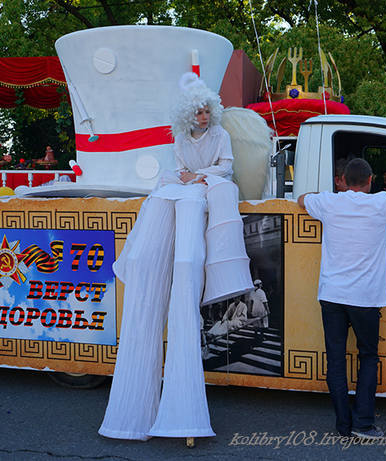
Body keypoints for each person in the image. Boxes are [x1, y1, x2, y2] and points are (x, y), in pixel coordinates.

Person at [99, 72, 252, 441]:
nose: (203, 116)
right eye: (197, 111)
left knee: (208, 197)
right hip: (187, 186)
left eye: (206, 110)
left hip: (208, 186)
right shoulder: (182, 139)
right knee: (166, 194)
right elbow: (180, 168)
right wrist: (188, 178)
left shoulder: (221, 135)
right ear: (188, 114)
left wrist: (198, 177)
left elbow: (226, 166)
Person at [297, 158, 386, 439]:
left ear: (344, 180)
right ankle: (364, 424)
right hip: (366, 297)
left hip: (331, 295)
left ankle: (343, 426)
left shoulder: (330, 203)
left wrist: (326, 196)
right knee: (368, 356)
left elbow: (302, 199)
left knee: (336, 360)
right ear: (370, 180)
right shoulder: (382, 204)